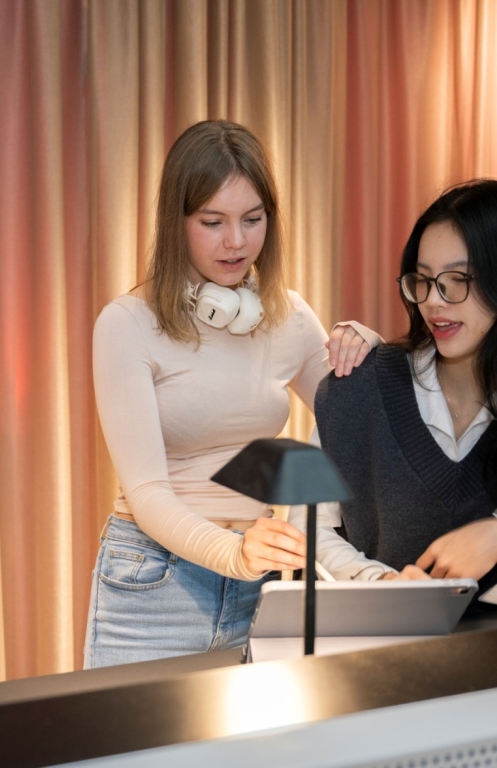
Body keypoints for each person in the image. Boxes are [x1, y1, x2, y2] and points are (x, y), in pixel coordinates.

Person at [83, 119, 381, 669]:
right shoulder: (126, 323)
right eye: (212, 221)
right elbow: (146, 492)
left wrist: (370, 355)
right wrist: (235, 554)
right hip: (153, 580)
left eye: (253, 219)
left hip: (257, 577)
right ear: (176, 224)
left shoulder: (288, 316)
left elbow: (359, 418)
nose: (236, 242)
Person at [289, 179, 497, 605]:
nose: (434, 301)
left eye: (456, 279)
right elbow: (309, 532)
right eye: (422, 280)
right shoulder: (359, 388)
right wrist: (382, 585)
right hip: (384, 659)